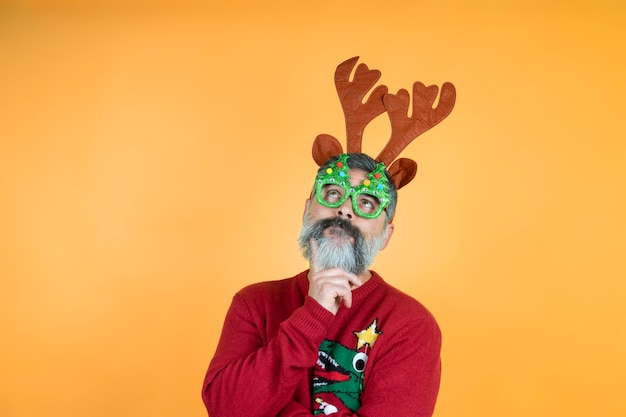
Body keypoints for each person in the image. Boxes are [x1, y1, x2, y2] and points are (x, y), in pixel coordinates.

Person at [201, 57, 455, 417]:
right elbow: (227, 409)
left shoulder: (410, 325)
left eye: (366, 203)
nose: (345, 211)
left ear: (386, 236)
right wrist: (315, 311)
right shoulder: (254, 304)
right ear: (308, 210)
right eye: (333, 194)